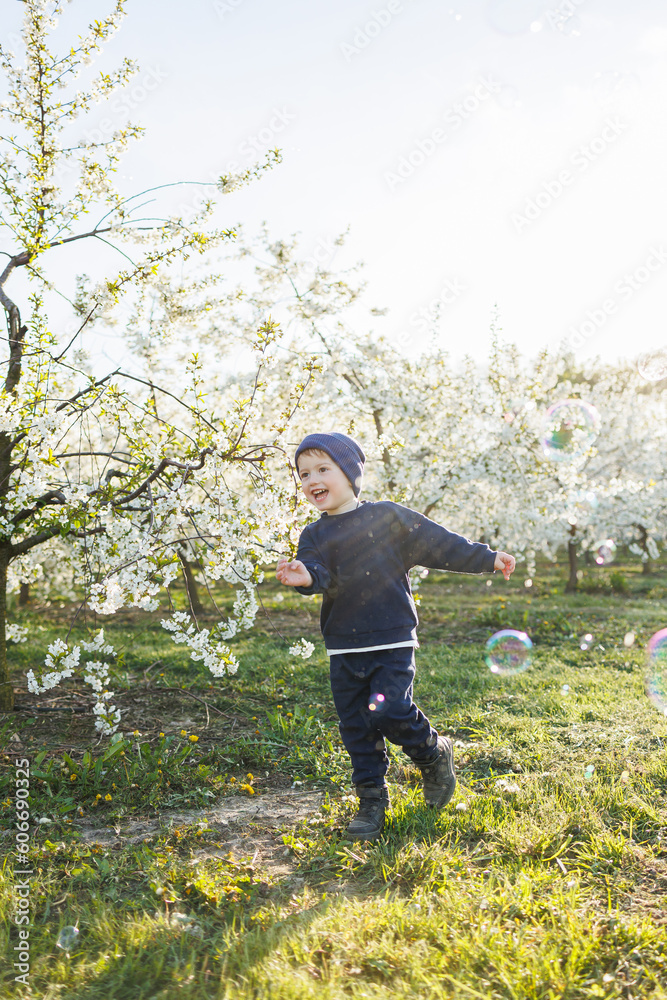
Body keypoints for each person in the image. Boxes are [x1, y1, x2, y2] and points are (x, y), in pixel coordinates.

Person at [276, 431, 515, 841]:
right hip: (344, 645)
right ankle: (371, 799)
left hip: (391, 640)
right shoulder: (313, 536)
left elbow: (440, 544)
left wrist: (486, 558)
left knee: (388, 711)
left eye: (322, 468)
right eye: (303, 473)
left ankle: (432, 753)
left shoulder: (387, 517)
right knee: (356, 725)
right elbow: (319, 572)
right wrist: (305, 575)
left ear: (349, 473)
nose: (312, 478)